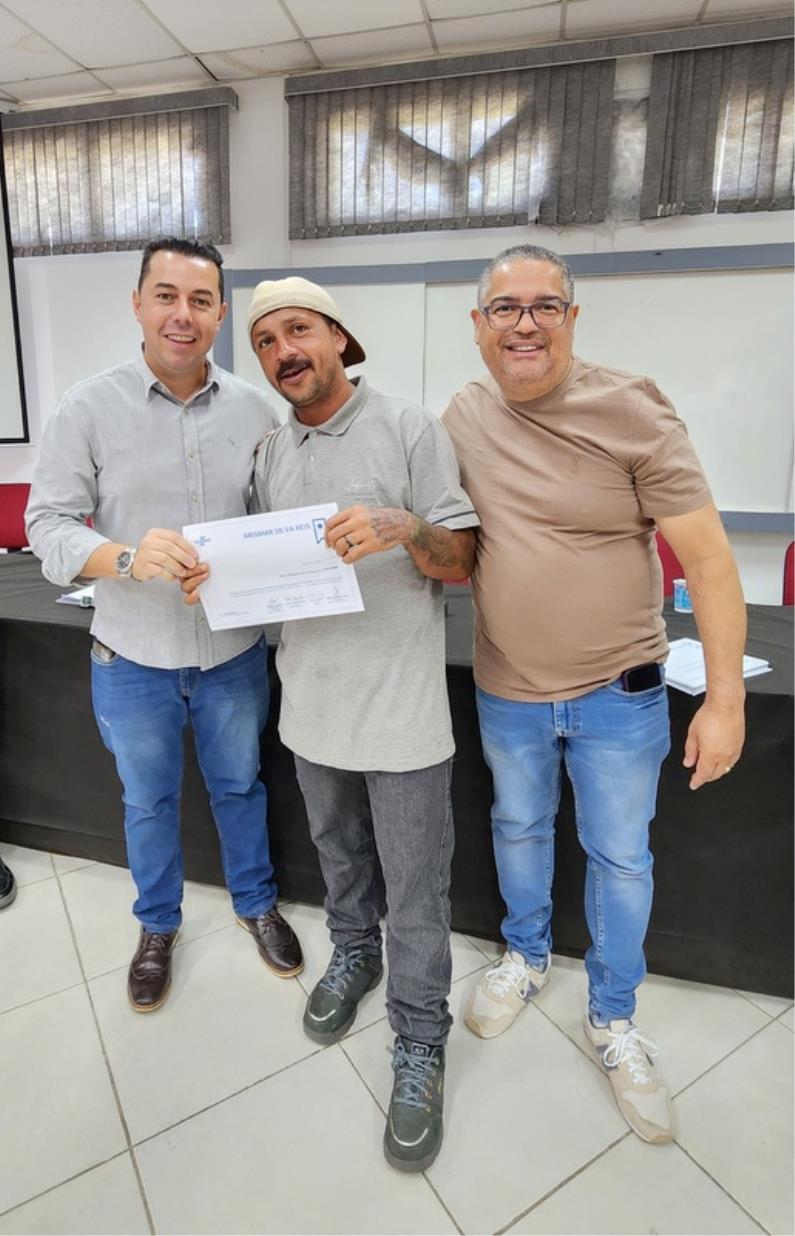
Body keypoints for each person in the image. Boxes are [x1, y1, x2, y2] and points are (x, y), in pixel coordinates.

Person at [442, 243, 746, 1145]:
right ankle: (525, 956)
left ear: (571, 319)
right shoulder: (462, 416)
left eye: (545, 306)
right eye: (506, 308)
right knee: (517, 828)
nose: (525, 324)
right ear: (479, 325)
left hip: (621, 693)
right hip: (507, 690)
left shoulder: (632, 408)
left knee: (620, 859)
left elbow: (710, 561)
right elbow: (441, 538)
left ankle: (613, 1018)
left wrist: (724, 700)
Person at [185, 276, 478, 1172]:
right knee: (341, 861)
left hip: (400, 713)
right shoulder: (271, 453)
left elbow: (461, 559)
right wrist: (209, 575)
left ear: (339, 338)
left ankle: (419, 1040)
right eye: (265, 342)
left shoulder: (409, 428)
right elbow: (256, 567)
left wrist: (403, 527)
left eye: (299, 330)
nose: (284, 352)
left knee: (416, 891)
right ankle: (354, 956)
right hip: (310, 706)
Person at [25, 237, 302, 1013]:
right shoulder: (87, 407)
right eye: (167, 296)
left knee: (239, 787)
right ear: (138, 304)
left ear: (220, 312)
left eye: (200, 300)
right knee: (147, 801)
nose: (183, 314)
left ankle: (255, 904)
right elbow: (47, 526)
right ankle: (156, 926)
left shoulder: (255, 410)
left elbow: (271, 522)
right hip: (132, 656)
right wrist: (122, 557)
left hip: (232, 655)